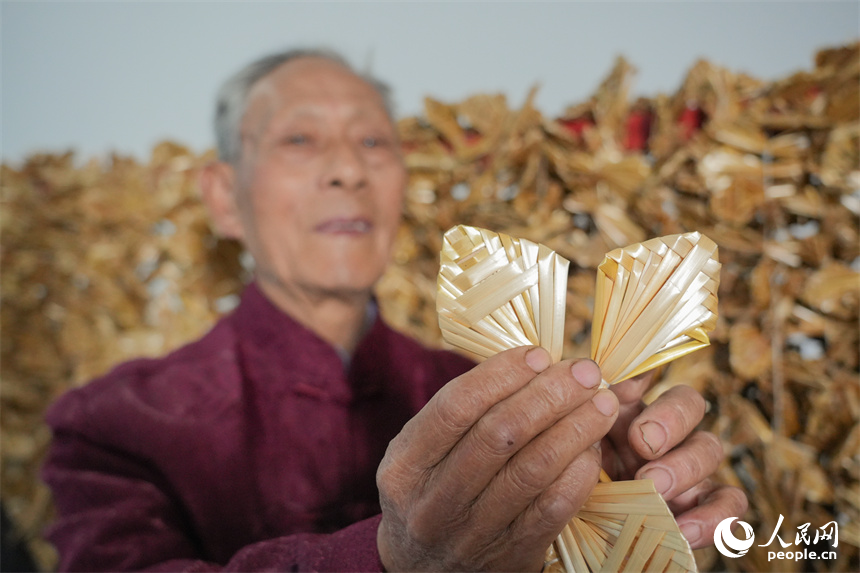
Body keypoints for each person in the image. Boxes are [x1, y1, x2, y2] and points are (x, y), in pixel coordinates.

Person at [42, 48, 747, 572]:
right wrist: (392, 560)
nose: (349, 169)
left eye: (374, 141)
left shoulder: (492, 389)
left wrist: (607, 503)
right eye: (299, 139)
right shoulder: (116, 425)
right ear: (225, 197)